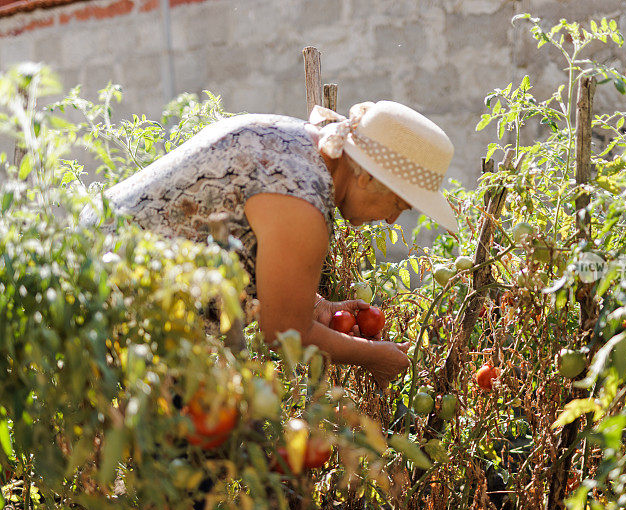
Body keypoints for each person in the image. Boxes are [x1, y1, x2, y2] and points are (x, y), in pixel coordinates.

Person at [80, 100, 459, 389]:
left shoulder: (298, 147)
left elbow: (239, 239)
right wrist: (374, 356)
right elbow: (282, 331)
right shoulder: (303, 201)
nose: (393, 219)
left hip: (96, 264)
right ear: (367, 177)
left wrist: (317, 306)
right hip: (105, 295)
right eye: (399, 203)